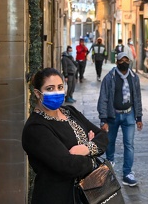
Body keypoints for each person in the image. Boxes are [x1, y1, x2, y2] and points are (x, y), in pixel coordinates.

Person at [22, 68, 109, 203]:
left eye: (60, 87)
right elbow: (67, 165)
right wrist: (93, 157)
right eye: (50, 88)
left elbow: (103, 136)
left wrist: (85, 149)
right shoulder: (36, 128)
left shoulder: (70, 112)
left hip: (86, 194)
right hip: (57, 197)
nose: (56, 92)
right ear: (38, 93)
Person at [97, 52, 143, 187]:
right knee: (110, 142)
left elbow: (137, 98)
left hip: (129, 114)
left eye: (126, 60)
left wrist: (139, 117)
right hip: (113, 115)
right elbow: (103, 98)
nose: (124, 62)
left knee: (129, 144)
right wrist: (103, 119)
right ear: (117, 62)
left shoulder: (134, 78)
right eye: (121, 60)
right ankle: (109, 167)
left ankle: (127, 173)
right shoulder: (109, 77)